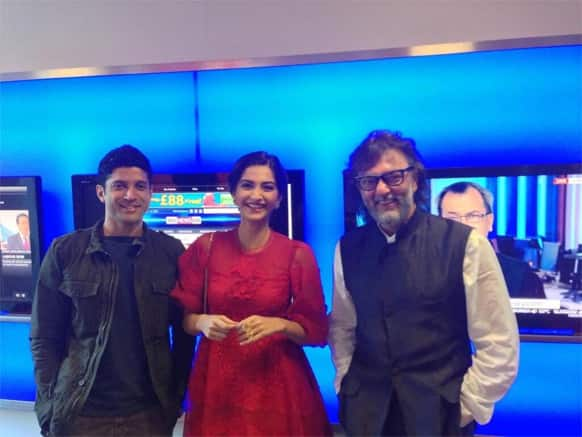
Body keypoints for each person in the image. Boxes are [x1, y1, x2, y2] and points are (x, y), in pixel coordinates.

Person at [329, 130, 519, 436]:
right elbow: (342, 327)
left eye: (394, 177)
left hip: (439, 418)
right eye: (369, 180)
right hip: (366, 416)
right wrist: (345, 382)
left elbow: (499, 342)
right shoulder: (346, 248)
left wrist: (466, 407)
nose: (382, 189)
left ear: (415, 180)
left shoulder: (466, 244)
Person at [30, 145, 194, 437]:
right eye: (119, 186)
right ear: (101, 193)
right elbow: (44, 335)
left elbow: (183, 337)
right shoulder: (65, 251)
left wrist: (174, 399)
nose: (130, 195)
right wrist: (48, 405)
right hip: (81, 414)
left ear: (150, 193)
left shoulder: (170, 251)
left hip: (149, 416)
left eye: (140, 186)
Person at [171, 151, 332, 436]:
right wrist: (202, 323)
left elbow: (317, 332)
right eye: (247, 185)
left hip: (278, 384)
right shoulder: (205, 248)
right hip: (217, 385)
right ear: (233, 192)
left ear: (279, 198)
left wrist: (280, 324)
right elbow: (184, 320)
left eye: (267, 187)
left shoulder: (297, 254)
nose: (256, 195)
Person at [437, 181, 545, 299]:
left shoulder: (520, 275)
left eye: (473, 216)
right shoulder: (422, 273)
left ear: (489, 222)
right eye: (452, 218)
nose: (463, 225)